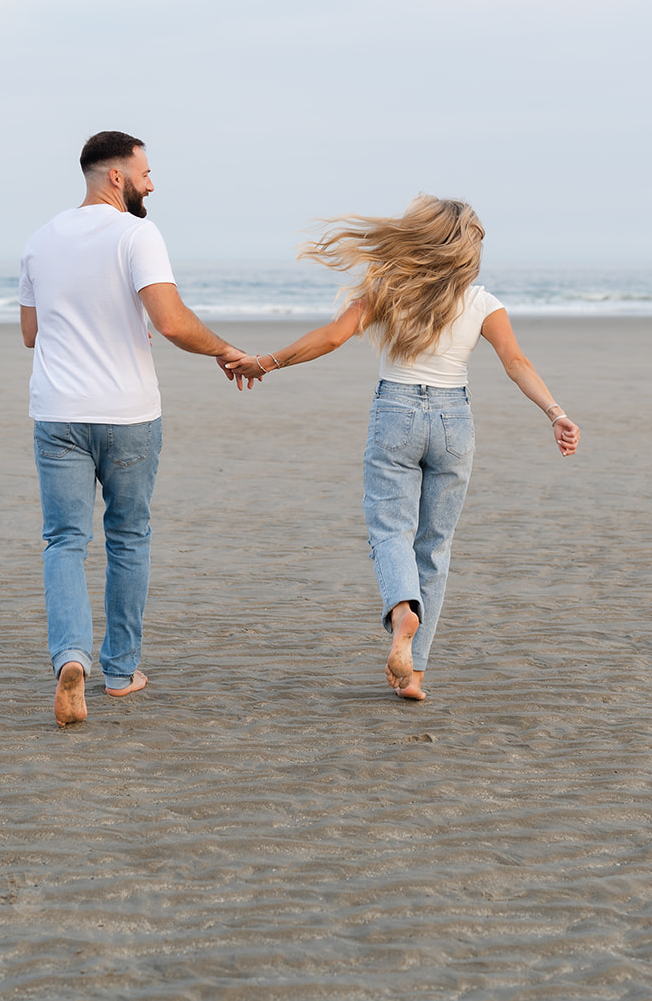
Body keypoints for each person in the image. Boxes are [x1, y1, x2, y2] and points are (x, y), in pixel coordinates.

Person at [226, 195, 580, 701]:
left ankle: (401, 615)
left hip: (396, 413)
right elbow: (516, 362)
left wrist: (267, 362)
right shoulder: (483, 302)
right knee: (434, 546)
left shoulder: (386, 289)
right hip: (454, 421)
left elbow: (331, 338)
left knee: (391, 530)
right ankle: (414, 676)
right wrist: (556, 414)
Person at [19, 130, 247, 728]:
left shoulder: (40, 240)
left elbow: (31, 333)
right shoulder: (136, 234)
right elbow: (170, 322)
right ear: (116, 176)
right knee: (128, 536)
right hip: (127, 414)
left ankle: (71, 657)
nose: (152, 183)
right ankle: (120, 672)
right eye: (146, 172)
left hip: (59, 411)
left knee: (64, 540)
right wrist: (224, 348)